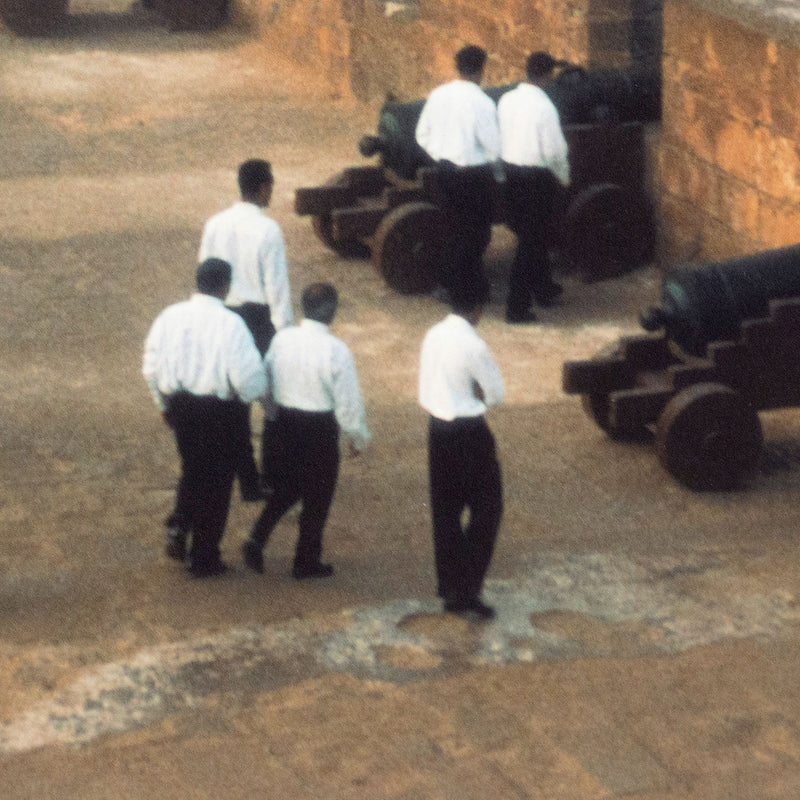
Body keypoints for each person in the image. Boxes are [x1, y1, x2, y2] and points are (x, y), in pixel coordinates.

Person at [143, 258, 267, 578]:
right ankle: (204, 556)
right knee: (218, 484)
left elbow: (151, 367)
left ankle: (181, 522)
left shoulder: (169, 317)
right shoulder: (232, 324)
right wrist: (252, 397)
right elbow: (248, 379)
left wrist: (164, 405)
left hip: (181, 407)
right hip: (219, 411)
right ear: (225, 287)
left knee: (193, 469)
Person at [242, 282, 371, 579]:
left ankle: (257, 538)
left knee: (286, 488)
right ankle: (305, 560)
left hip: (283, 424)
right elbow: (347, 402)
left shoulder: (282, 340)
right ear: (333, 313)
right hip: (319, 429)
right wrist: (357, 436)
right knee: (317, 497)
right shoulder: (337, 350)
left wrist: (273, 415)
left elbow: (264, 381)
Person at [199, 158, 293, 501]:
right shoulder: (268, 230)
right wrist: (284, 334)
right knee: (272, 400)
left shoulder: (214, 224)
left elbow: (204, 272)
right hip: (257, 319)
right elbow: (277, 288)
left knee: (232, 402)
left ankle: (247, 479)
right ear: (264, 187)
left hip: (223, 313)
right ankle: (268, 475)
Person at [418, 280, 505, 619]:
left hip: (437, 429)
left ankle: (451, 587)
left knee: (445, 511)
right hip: (469, 433)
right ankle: (469, 586)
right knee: (487, 509)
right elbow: (495, 393)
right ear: (478, 308)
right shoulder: (474, 346)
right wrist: (476, 392)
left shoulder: (432, 335)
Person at [415, 44, 501, 302]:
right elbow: (494, 147)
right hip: (473, 175)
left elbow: (422, 134)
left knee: (454, 228)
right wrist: (497, 173)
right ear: (481, 70)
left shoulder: (438, 95)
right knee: (476, 234)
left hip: (444, 171)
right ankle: (464, 288)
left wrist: (441, 155)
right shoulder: (483, 102)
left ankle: (450, 282)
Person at [497, 51, 570, 324]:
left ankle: (543, 288)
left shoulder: (507, 99)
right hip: (535, 178)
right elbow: (554, 151)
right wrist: (564, 178)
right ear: (548, 77)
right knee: (531, 241)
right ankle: (516, 308)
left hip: (511, 172)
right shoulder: (545, 108)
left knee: (531, 236)